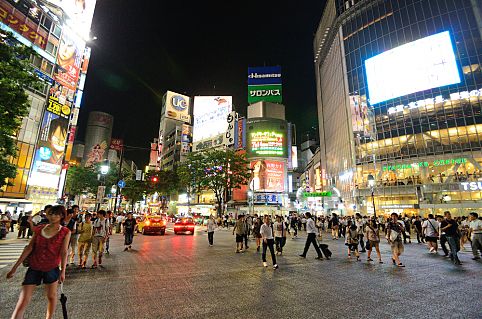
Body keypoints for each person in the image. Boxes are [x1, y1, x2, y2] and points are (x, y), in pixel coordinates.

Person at [6, 205, 70, 319]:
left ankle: (49, 317)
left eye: (56, 214)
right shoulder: (40, 229)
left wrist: (63, 271)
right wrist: (14, 267)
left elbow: (64, 252)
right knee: (23, 299)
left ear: (61, 216)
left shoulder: (65, 232)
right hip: (34, 266)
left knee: (51, 296)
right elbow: (29, 248)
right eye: (51, 214)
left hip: (51, 267)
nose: (52, 216)